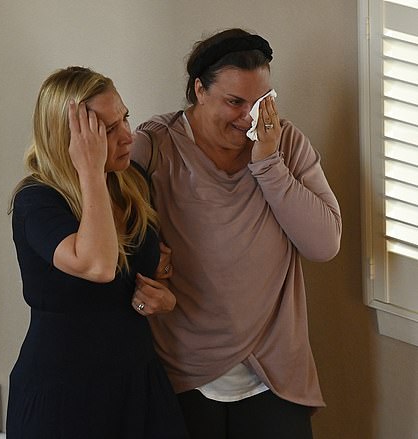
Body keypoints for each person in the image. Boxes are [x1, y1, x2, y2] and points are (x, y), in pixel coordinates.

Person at [131, 29, 342, 439]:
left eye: (261, 102)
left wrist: (268, 165)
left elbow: (324, 244)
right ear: (199, 90)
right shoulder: (155, 146)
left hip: (273, 374)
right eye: (235, 102)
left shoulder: (286, 144)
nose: (250, 118)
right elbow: (111, 239)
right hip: (183, 372)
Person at [7, 66, 188, 438]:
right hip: (63, 392)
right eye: (106, 130)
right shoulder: (37, 200)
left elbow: (145, 271)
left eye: (125, 118)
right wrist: (89, 172)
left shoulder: (132, 183)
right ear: (70, 139)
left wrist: (165, 300)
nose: (127, 136)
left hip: (136, 381)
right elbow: (99, 266)